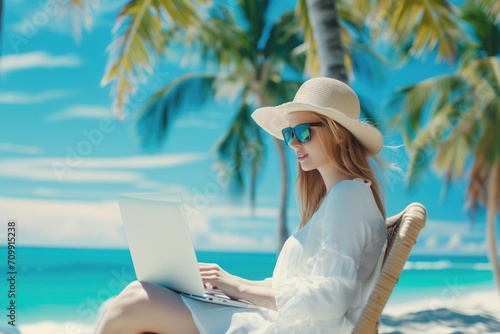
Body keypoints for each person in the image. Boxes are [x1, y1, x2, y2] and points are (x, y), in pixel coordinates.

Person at [96, 77, 388, 334]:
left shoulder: (348, 196)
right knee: (133, 298)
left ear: (337, 133)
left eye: (303, 133)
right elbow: (300, 286)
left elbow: (332, 298)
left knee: (133, 303)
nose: (294, 144)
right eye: (289, 134)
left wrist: (238, 289)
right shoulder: (337, 199)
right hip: (286, 323)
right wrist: (228, 282)